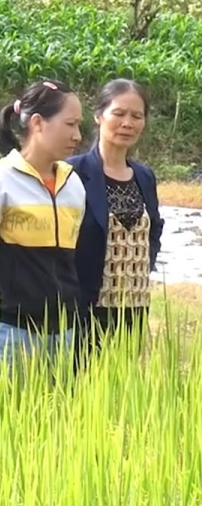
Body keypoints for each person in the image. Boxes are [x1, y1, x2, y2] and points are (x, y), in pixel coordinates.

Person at [0, 79, 86, 377]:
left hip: (62, 332)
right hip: (6, 331)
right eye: (70, 124)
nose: (78, 135)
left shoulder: (73, 183)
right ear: (37, 123)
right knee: (0, 419)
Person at [67, 79, 163, 365]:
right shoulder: (73, 171)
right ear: (99, 116)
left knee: (118, 395)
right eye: (119, 113)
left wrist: (142, 267)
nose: (128, 123)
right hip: (86, 307)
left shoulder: (144, 176)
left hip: (133, 307)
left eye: (137, 116)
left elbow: (154, 227)